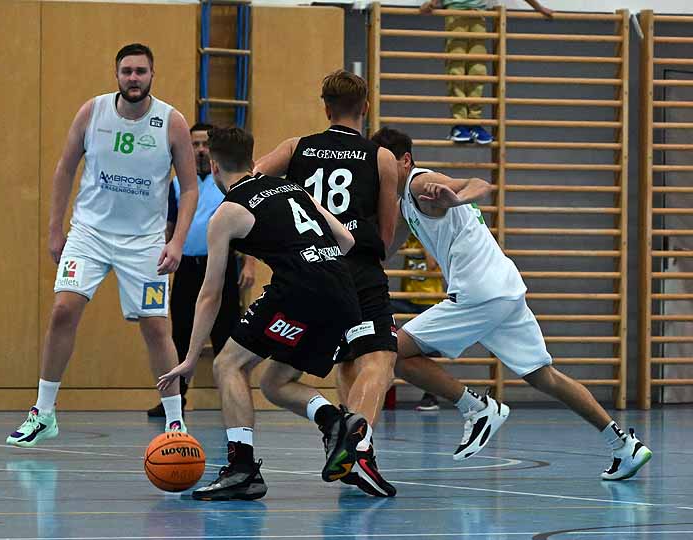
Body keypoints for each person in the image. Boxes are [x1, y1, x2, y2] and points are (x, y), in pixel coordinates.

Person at [372, 127, 653, 480]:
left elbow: (479, 183)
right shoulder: (404, 202)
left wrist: (457, 198)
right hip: (502, 290)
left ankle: (476, 407)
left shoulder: (419, 182)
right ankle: (624, 445)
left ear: (405, 160)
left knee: (390, 350)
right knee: (544, 376)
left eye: (384, 163)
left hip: (478, 293)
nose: (379, 171)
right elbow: (383, 250)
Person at [158, 127, 370, 501]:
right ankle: (336, 421)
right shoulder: (292, 188)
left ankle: (242, 469)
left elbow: (210, 295)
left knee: (228, 364)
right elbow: (347, 240)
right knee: (275, 383)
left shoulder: (227, 213)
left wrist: (190, 359)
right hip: (342, 293)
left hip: (299, 291)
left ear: (214, 165)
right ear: (252, 159)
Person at [6, 43, 198, 448]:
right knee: (62, 311)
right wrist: (54, 230)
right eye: (127, 71)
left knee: (156, 327)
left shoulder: (172, 122)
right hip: (89, 234)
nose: (134, 78)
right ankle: (43, 412)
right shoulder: (92, 112)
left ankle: (175, 421)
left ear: (152, 74)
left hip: (144, 242)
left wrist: (177, 241)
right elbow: (65, 168)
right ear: (117, 75)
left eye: (141, 71)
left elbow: (190, 188)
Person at [254, 70, 399, 497]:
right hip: (358, 269)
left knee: (280, 379)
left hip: (310, 269)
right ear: (365, 107)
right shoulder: (381, 158)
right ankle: (357, 446)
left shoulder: (295, 148)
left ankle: (343, 438)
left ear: (326, 108)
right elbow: (386, 236)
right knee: (379, 360)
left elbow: (251, 184)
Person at [147, 122, 256, 418]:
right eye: (194, 144)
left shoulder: (228, 182)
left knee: (227, 334)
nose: (200, 150)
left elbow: (247, 223)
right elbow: (169, 227)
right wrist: (160, 260)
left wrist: (249, 263)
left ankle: (232, 399)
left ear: (213, 150)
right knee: (181, 333)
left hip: (219, 266)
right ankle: (175, 399)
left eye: (205, 144)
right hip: (186, 268)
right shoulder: (178, 184)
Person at [420, 0, 553, 144]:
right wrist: (433, 2)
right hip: (456, 13)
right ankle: (459, 123)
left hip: (479, 15)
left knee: (477, 71)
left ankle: (474, 122)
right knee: (456, 70)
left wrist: (539, 8)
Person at [393, 234, 444, 411]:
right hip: (409, 298)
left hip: (429, 299)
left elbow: (432, 264)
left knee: (431, 348)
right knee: (383, 307)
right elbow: (393, 246)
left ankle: (431, 396)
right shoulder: (409, 239)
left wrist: (424, 241)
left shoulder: (433, 239)